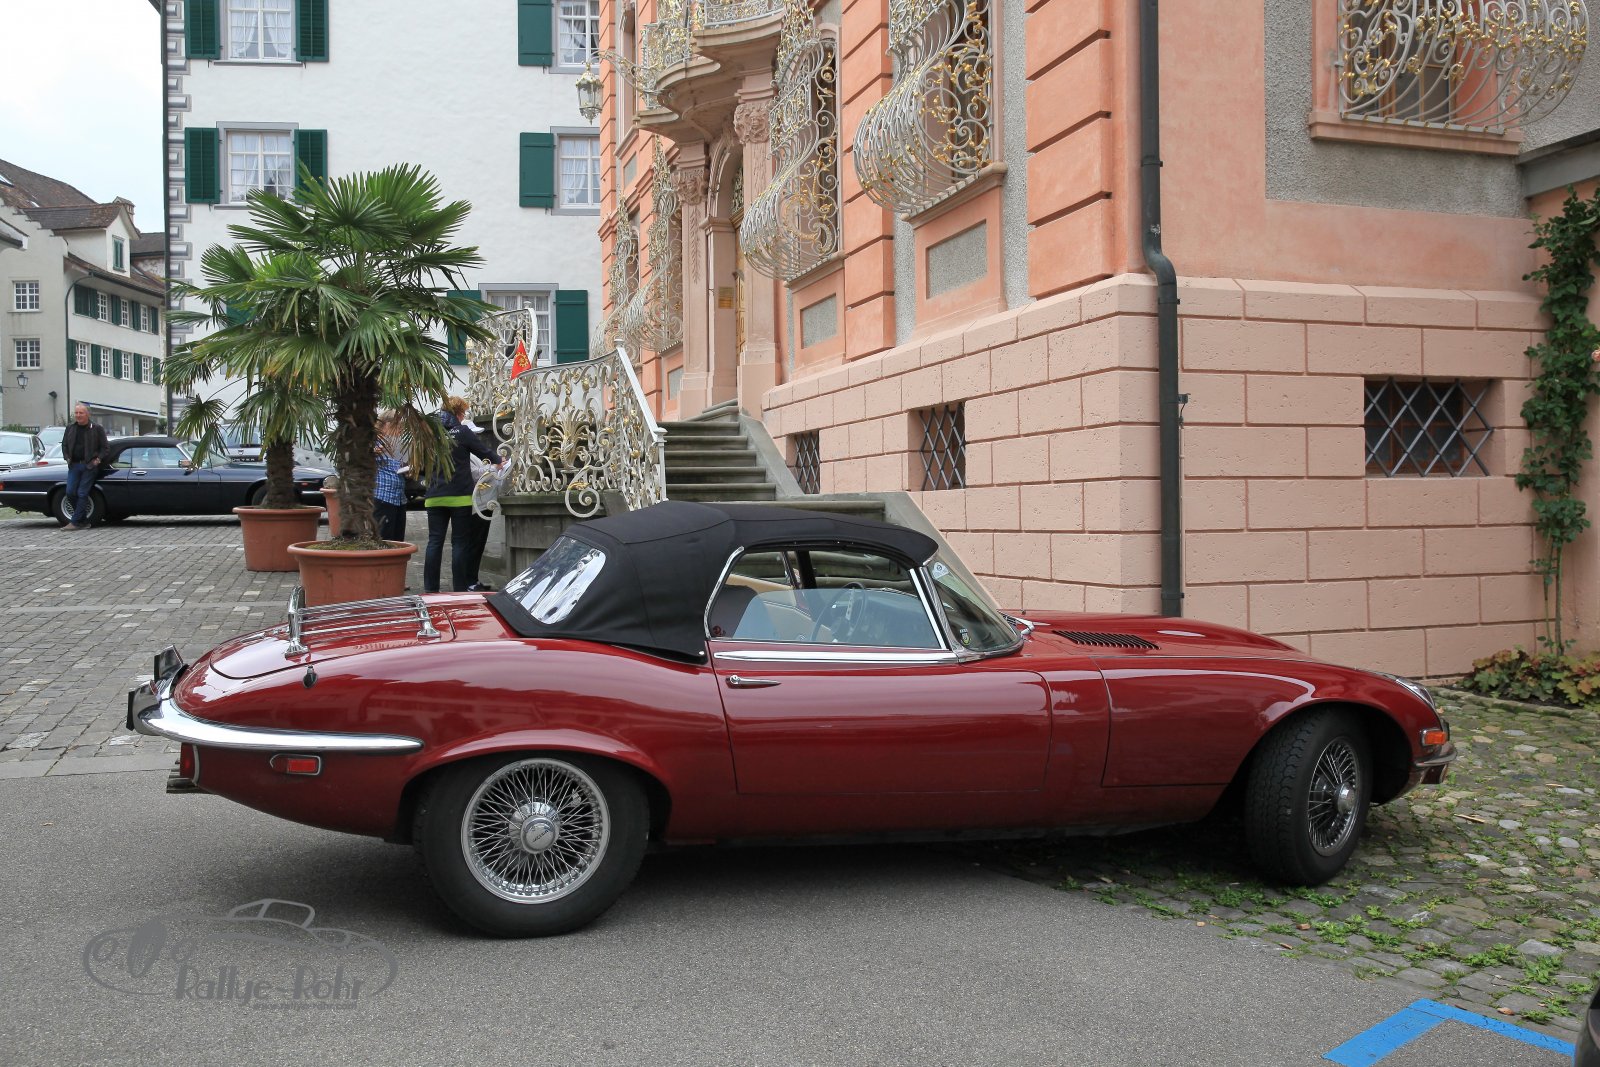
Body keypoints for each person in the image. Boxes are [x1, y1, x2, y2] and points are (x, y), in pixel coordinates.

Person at [423, 396, 502, 594]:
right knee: (459, 543)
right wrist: (498, 460)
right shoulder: (462, 431)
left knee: (434, 542)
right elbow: (483, 451)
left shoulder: (430, 432)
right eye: (463, 413)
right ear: (458, 413)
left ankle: (430, 590)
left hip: (434, 495)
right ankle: (459, 590)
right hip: (459, 496)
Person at [59, 402, 109, 530]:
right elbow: (64, 445)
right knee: (70, 492)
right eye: (76, 413)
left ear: (87, 414)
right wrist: (67, 458)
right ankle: (83, 521)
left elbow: (105, 448)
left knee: (82, 493)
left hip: (89, 466)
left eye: (81, 413)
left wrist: (97, 460)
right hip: (74, 465)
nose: (78, 415)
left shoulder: (96, 428)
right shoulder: (70, 428)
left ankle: (75, 522)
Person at [373, 411, 409, 544]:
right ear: (387, 425)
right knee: (384, 539)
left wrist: (408, 470)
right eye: (398, 426)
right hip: (383, 496)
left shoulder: (398, 444)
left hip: (399, 498)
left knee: (398, 540)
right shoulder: (374, 442)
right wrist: (372, 453)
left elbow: (401, 465)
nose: (400, 431)